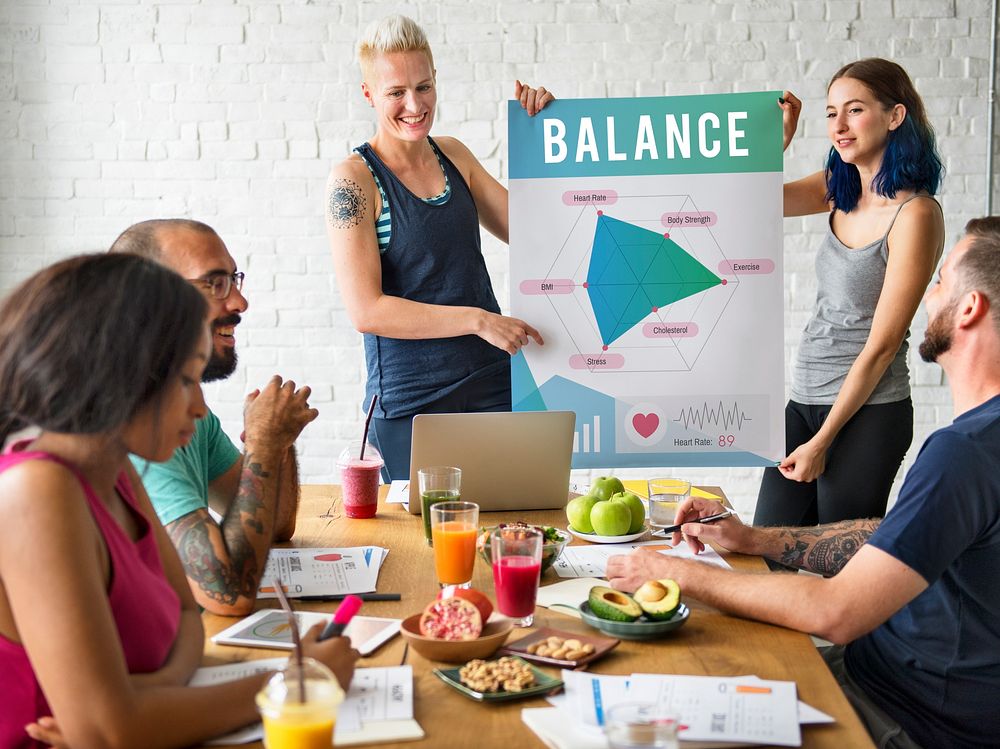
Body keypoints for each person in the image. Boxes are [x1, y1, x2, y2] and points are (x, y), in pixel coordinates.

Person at [608, 218, 1000, 749]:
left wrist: (669, 570)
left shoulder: (965, 452)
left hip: (901, 714)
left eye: (940, 281)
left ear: (970, 308)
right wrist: (756, 540)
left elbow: (833, 612)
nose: (927, 295)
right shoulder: (980, 442)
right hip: (886, 677)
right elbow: (890, 542)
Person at [0, 253, 356, 749]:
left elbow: (186, 623)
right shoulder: (36, 492)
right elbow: (109, 729)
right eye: (187, 379)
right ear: (121, 375)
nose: (199, 405)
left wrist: (139, 699)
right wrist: (299, 680)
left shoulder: (118, 470)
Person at [325, 15, 553, 480]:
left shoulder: (454, 155)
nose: (414, 104)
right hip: (413, 404)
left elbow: (537, 233)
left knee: (512, 532)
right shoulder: (354, 181)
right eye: (396, 93)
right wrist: (477, 319)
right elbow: (366, 310)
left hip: (492, 383)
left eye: (424, 86)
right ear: (368, 94)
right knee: (424, 546)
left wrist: (546, 137)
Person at [755, 59, 945, 528]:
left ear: (894, 116)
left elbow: (881, 346)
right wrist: (778, 141)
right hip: (804, 399)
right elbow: (752, 201)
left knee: (837, 565)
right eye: (830, 112)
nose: (838, 126)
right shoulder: (838, 188)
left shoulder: (916, 214)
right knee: (763, 549)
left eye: (854, 110)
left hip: (869, 413)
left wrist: (823, 441)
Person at [110, 219, 318, 616]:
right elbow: (228, 595)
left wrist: (276, 443)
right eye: (215, 283)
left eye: (234, 280)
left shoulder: (188, 411)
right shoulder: (140, 427)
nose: (240, 302)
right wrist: (263, 443)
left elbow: (274, 525)